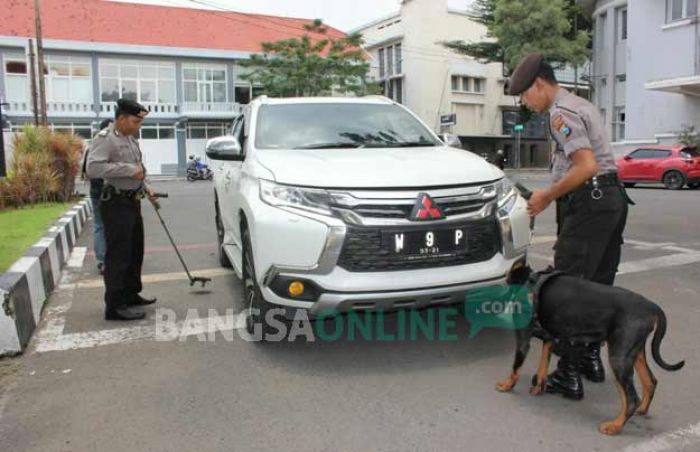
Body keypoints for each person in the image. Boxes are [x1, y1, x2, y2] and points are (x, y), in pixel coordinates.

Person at [508, 53, 631, 400]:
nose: (525, 104)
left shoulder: (560, 113)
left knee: (567, 292)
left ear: (539, 85)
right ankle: (589, 360)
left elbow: (585, 166)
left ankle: (567, 374)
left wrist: (546, 196)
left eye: (525, 95)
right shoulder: (582, 104)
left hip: (589, 202)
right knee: (597, 288)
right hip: (611, 200)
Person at [86, 99, 157, 321]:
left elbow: (138, 170)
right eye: (136, 121)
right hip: (115, 203)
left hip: (131, 200)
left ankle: (130, 294)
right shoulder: (105, 139)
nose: (139, 126)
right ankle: (115, 306)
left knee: (135, 251)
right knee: (118, 255)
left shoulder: (129, 138)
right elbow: (93, 168)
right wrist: (128, 170)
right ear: (122, 118)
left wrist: (146, 187)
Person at [81, 119, 112, 275]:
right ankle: (111, 260)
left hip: (95, 190)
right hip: (108, 191)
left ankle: (102, 261)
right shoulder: (108, 144)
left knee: (100, 225)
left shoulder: (91, 145)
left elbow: (85, 171)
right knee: (111, 225)